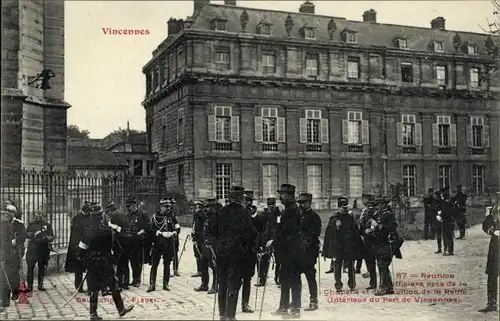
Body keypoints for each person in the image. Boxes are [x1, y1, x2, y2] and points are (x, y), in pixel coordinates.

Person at [205, 186, 257, 321]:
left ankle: (222, 314)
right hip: (238, 254)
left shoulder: (220, 212)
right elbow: (251, 235)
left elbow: (210, 232)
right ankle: (230, 315)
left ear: (230, 198)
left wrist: (218, 246)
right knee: (234, 283)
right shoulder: (244, 213)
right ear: (240, 198)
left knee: (222, 283)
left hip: (222, 253)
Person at [77, 203, 134, 320]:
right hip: (106, 262)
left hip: (93, 263)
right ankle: (121, 309)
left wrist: (86, 262)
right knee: (113, 286)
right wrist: (114, 261)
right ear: (102, 216)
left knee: (93, 288)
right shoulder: (108, 231)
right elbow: (117, 248)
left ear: (91, 217)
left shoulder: (87, 232)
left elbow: (80, 251)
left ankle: (93, 314)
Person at [267, 184, 304, 318]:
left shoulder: (292, 210)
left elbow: (289, 232)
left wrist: (274, 242)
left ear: (290, 195)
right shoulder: (287, 209)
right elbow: (279, 227)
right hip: (286, 250)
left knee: (293, 279)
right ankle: (283, 307)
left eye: (283, 194)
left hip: (292, 250)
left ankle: (294, 309)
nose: (280, 196)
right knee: (284, 278)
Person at [322, 197, 359, 292]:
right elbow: (329, 233)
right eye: (343, 207)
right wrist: (336, 227)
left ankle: (352, 284)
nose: (345, 209)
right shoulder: (334, 218)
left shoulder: (350, 218)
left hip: (349, 246)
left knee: (351, 265)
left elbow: (355, 231)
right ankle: (338, 285)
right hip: (337, 247)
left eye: (346, 207)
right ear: (339, 207)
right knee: (337, 266)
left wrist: (356, 245)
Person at [146, 199, 181, 292]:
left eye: (169, 207)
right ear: (161, 207)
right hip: (158, 244)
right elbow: (150, 230)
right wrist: (159, 233)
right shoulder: (154, 217)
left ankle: (166, 283)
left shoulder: (172, 217)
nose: (168, 208)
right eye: (166, 207)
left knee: (167, 264)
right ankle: (152, 284)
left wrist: (173, 233)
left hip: (168, 244)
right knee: (154, 264)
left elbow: (178, 227)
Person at [114, 198, 148, 289]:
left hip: (138, 241)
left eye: (129, 207)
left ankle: (137, 280)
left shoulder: (142, 214)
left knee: (137, 262)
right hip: (128, 242)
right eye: (127, 207)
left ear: (134, 206)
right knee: (130, 261)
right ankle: (132, 280)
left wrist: (142, 231)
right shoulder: (127, 215)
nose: (128, 208)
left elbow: (147, 226)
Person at [371, 197, 400, 296]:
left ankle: (383, 287)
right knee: (382, 265)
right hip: (379, 243)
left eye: (379, 204)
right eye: (377, 204)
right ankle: (389, 287)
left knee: (382, 264)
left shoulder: (389, 215)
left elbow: (393, 227)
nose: (377, 206)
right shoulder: (378, 214)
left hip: (387, 243)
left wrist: (378, 226)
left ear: (383, 204)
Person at [298, 193, 322, 311]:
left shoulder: (314, 217)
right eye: (300, 203)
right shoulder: (298, 215)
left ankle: (314, 301)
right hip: (298, 252)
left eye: (304, 202)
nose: (301, 205)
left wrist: (304, 244)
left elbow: (314, 234)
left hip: (309, 252)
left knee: (310, 276)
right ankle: (296, 301)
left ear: (309, 202)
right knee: (295, 277)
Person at [65, 201, 91, 293]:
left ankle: (90, 287)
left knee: (89, 267)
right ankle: (79, 287)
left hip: (87, 245)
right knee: (78, 268)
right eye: (89, 211)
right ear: (85, 210)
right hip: (79, 246)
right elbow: (76, 235)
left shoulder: (88, 217)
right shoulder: (77, 218)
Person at [25, 210, 54, 292]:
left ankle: (40, 285)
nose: (38, 216)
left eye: (40, 215)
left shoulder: (47, 225)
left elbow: (51, 237)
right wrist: (32, 235)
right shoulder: (31, 225)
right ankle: (30, 286)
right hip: (33, 249)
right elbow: (26, 234)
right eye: (36, 215)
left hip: (43, 249)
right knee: (30, 267)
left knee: (42, 267)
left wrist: (45, 238)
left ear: (43, 216)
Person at [478, 201, 499, 312]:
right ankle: (492, 303)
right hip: (496, 244)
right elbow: (485, 224)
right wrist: (491, 231)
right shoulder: (495, 207)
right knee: (492, 273)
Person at [256, 197, 280, 287]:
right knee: (264, 260)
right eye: (269, 205)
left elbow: (279, 226)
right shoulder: (264, 214)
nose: (271, 207)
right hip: (266, 239)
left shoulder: (278, 214)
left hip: (276, 239)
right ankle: (262, 279)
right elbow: (260, 227)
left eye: (272, 205)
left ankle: (278, 278)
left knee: (279, 260)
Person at [240, 190, 257, 313]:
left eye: (250, 201)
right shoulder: (237, 213)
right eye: (246, 201)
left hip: (249, 251)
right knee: (235, 278)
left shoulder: (255, 214)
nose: (248, 203)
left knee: (247, 278)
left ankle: (245, 303)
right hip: (237, 250)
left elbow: (258, 231)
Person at [358, 197, 378, 290]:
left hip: (377, 241)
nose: (370, 208)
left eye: (372, 206)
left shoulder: (377, 214)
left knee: (382, 265)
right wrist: (364, 231)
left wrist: (374, 231)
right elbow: (361, 227)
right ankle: (373, 283)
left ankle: (385, 283)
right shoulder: (364, 214)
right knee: (370, 263)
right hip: (367, 241)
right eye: (368, 206)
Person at [1, 202, 16, 310]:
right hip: (4, 254)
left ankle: (5, 301)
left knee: (3, 278)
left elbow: (6, 243)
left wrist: (3, 256)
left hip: (4, 255)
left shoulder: (5, 225)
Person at [10, 206, 28, 300]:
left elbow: (23, 236)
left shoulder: (19, 224)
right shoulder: (3, 224)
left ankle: (15, 291)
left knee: (14, 271)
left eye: (10, 212)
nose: (8, 214)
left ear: (14, 213)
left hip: (16, 250)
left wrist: (15, 242)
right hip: (5, 251)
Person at [192, 201, 210, 291]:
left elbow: (197, 229)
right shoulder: (198, 216)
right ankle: (204, 284)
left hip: (202, 241)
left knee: (204, 262)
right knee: (203, 262)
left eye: (196, 206)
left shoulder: (199, 216)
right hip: (201, 241)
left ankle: (205, 284)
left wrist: (195, 238)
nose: (195, 208)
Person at [203, 198, 219, 294]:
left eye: (209, 207)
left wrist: (211, 241)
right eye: (207, 207)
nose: (207, 209)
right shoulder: (207, 217)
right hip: (206, 244)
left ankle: (215, 285)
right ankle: (205, 284)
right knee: (205, 263)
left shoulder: (217, 218)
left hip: (214, 245)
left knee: (215, 266)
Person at [438, 187, 455, 256]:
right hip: (450, 220)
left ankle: (447, 250)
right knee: (449, 236)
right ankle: (450, 250)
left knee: (445, 236)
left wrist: (440, 216)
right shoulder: (450, 201)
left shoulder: (445, 202)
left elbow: (444, 211)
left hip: (446, 220)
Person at [434, 189, 444, 254]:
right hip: (439, 219)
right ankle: (440, 248)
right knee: (440, 234)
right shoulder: (440, 202)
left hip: (440, 219)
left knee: (440, 234)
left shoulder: (439, 202)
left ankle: (440, 248)